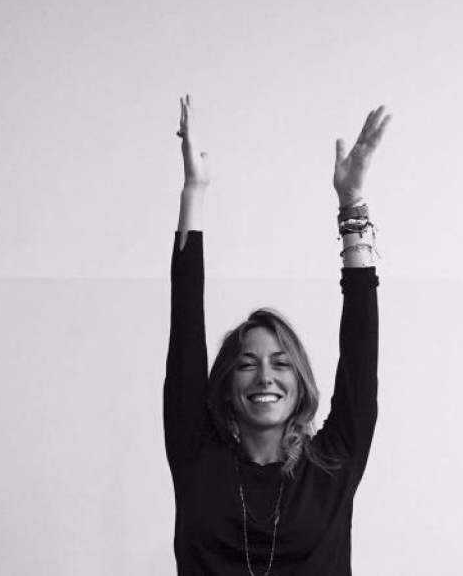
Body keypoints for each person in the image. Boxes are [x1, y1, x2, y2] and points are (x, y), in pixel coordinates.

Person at [165, 95, 390, 575]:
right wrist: (194, 193)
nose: (265, 376)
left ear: (300, 382)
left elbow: (360, 349)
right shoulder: (196, 457)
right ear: (226, 385)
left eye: (281, 363)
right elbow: (184, 330)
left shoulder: (333, 462)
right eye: (247, 364)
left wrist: (352, 206)